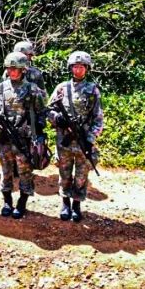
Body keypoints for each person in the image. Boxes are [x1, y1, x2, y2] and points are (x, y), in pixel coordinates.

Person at [47, 51, 104, 222]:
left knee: (81, 175)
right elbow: (48, 110)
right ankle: (65, 203)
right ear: (70, 68)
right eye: (75, 67)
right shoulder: (62, 88)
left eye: (81, 67)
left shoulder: (93, 90)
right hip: (64, 140)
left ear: (87, 68)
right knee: (64, 173)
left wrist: (91, 138)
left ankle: (77, 204)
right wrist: (57, 118)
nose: (78, 70)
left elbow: (98, 118)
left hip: (83, 140)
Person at [0, 52, 48, 219]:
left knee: (25, 172)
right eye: (9, 69)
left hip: (24, 139)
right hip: (4, 138)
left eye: (15, 69)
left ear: (23, 70)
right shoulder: (2, 87)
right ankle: (7, 202)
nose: (12, 72)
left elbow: (41, 112)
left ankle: (22, 202)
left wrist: (38, 129)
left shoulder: (32, 89)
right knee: (6, 171)